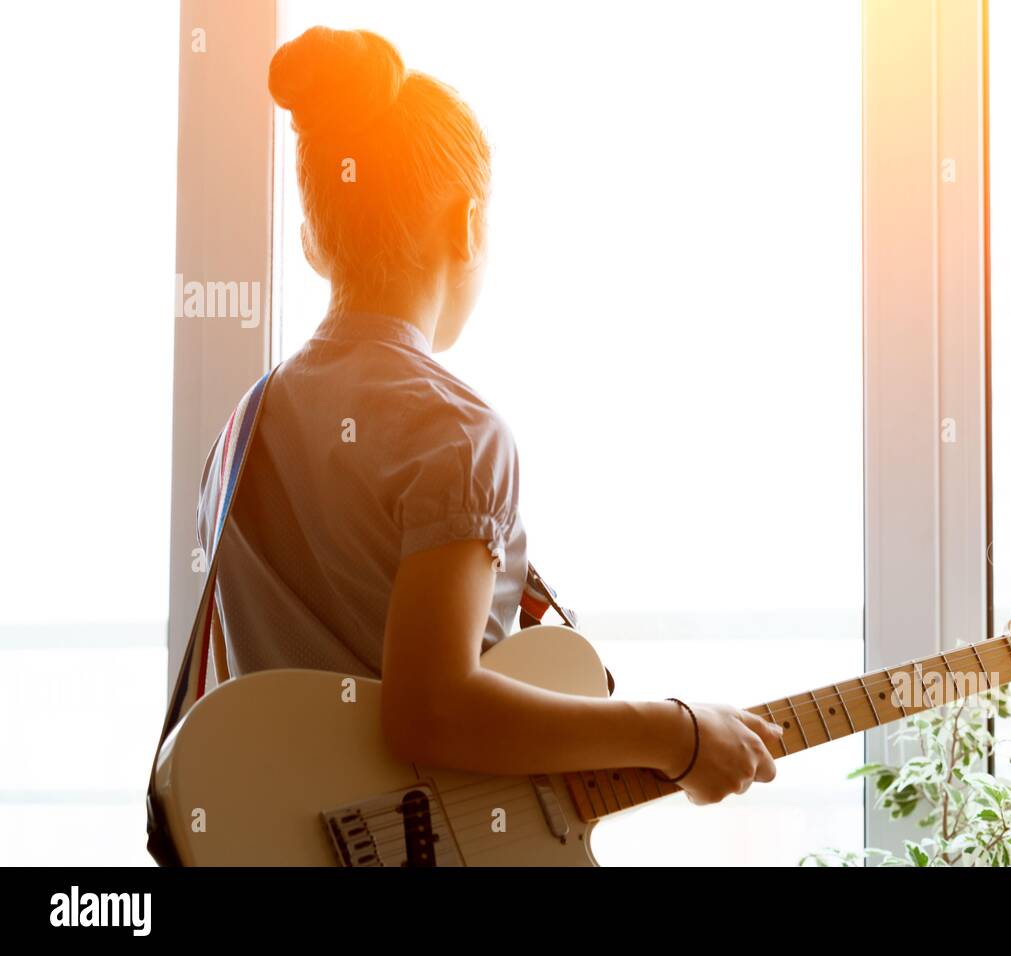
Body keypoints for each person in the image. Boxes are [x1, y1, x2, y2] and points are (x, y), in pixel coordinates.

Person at [195, 26, 781, 807]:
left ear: (312, 242)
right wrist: (677, 733)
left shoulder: (241, 431)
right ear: (468, 222)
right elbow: (433, 711)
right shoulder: (454, 431)